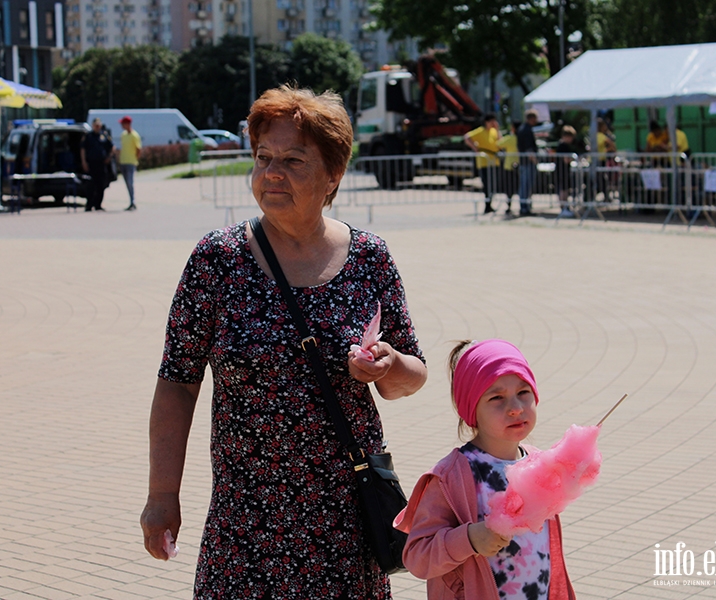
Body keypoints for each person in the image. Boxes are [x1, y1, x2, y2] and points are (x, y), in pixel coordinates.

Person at [140, 85, 428, 599]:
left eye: (294, 160)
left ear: (333, 176)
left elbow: (412, 375)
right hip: (245, 519)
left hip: (343, 517)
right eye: (263, 157)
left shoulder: (369, 257)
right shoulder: (217, 259)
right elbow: (177, 382)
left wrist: (389, 364)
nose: (272, 172)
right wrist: (162, 494)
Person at [395, 339, 576, 599]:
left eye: (523, 393)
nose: (515, 408)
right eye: (497, 398)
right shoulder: (451, 477)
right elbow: (417, 556)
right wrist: (469, 539)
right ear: (471, 410)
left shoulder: (540, 465)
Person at [464, 114, 502, 214]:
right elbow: (467, 137)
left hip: (494, 161)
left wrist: (497, 129)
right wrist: (475, 148)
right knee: (486, 185)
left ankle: (490, 203)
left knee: (493, 185)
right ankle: (487, 205)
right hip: (484, 162)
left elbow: (500, 142)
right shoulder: (480, 131)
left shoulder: (494, 131)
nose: (493, 123)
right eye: (491, 121)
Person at [80, 118, 114, 212]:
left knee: (101, 185)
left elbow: (112, 147)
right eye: (96, 125)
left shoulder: (104, 135)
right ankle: (89, 205)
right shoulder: (88, 136)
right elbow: (83, 149)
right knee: (90, 185)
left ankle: (98, 205)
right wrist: (83, 162)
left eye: (99, 125)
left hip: (101, 164)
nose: (97, 127)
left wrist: (109, 157)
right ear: (92, 126)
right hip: (91, 164)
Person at [516, 109, 539, 216]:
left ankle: (525, 206)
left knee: (525, 185)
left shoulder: (522, 129)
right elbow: (529, 149)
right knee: (526, 185)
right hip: (527, 162)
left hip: (524, 162)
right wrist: (535, 161)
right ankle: (524, 208)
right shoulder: (527, 130)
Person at [117, 115, 141, 211]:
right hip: (123, 161)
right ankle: (131, 201)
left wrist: (135, 159)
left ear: (127, 124)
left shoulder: (134, 135)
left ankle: (133, 201)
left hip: (131, 162)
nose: (121, 125)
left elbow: (138, 149)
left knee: (130, 182)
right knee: (127, 183)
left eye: (123, 123)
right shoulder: (123, 135)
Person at [554, 126, 577, 218]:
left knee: (565, 189)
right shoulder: (563, 146)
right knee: (564, 190)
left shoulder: (561, 145)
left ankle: (565, 207)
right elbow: (566, 160)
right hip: (562, 170)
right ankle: (563, 208)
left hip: (562, 170)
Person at [497, 124, 519, 216]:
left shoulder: (510, 138)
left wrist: (498, 131)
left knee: (509, 187)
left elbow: (498, 144)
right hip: (519, 165)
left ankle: (509, 205)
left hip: (508, 166)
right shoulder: (520, 138)